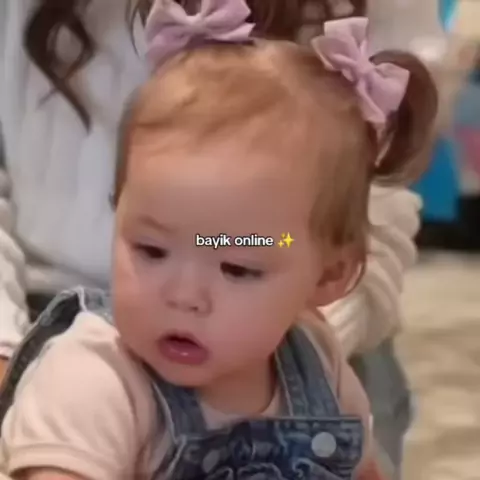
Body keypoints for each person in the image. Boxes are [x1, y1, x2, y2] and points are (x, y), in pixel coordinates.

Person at [0, 1, 438, 478]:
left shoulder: (319, 362)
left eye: (238, 267)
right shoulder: (91, 378)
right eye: (151, 250)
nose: (183, 295)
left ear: (330, 275)